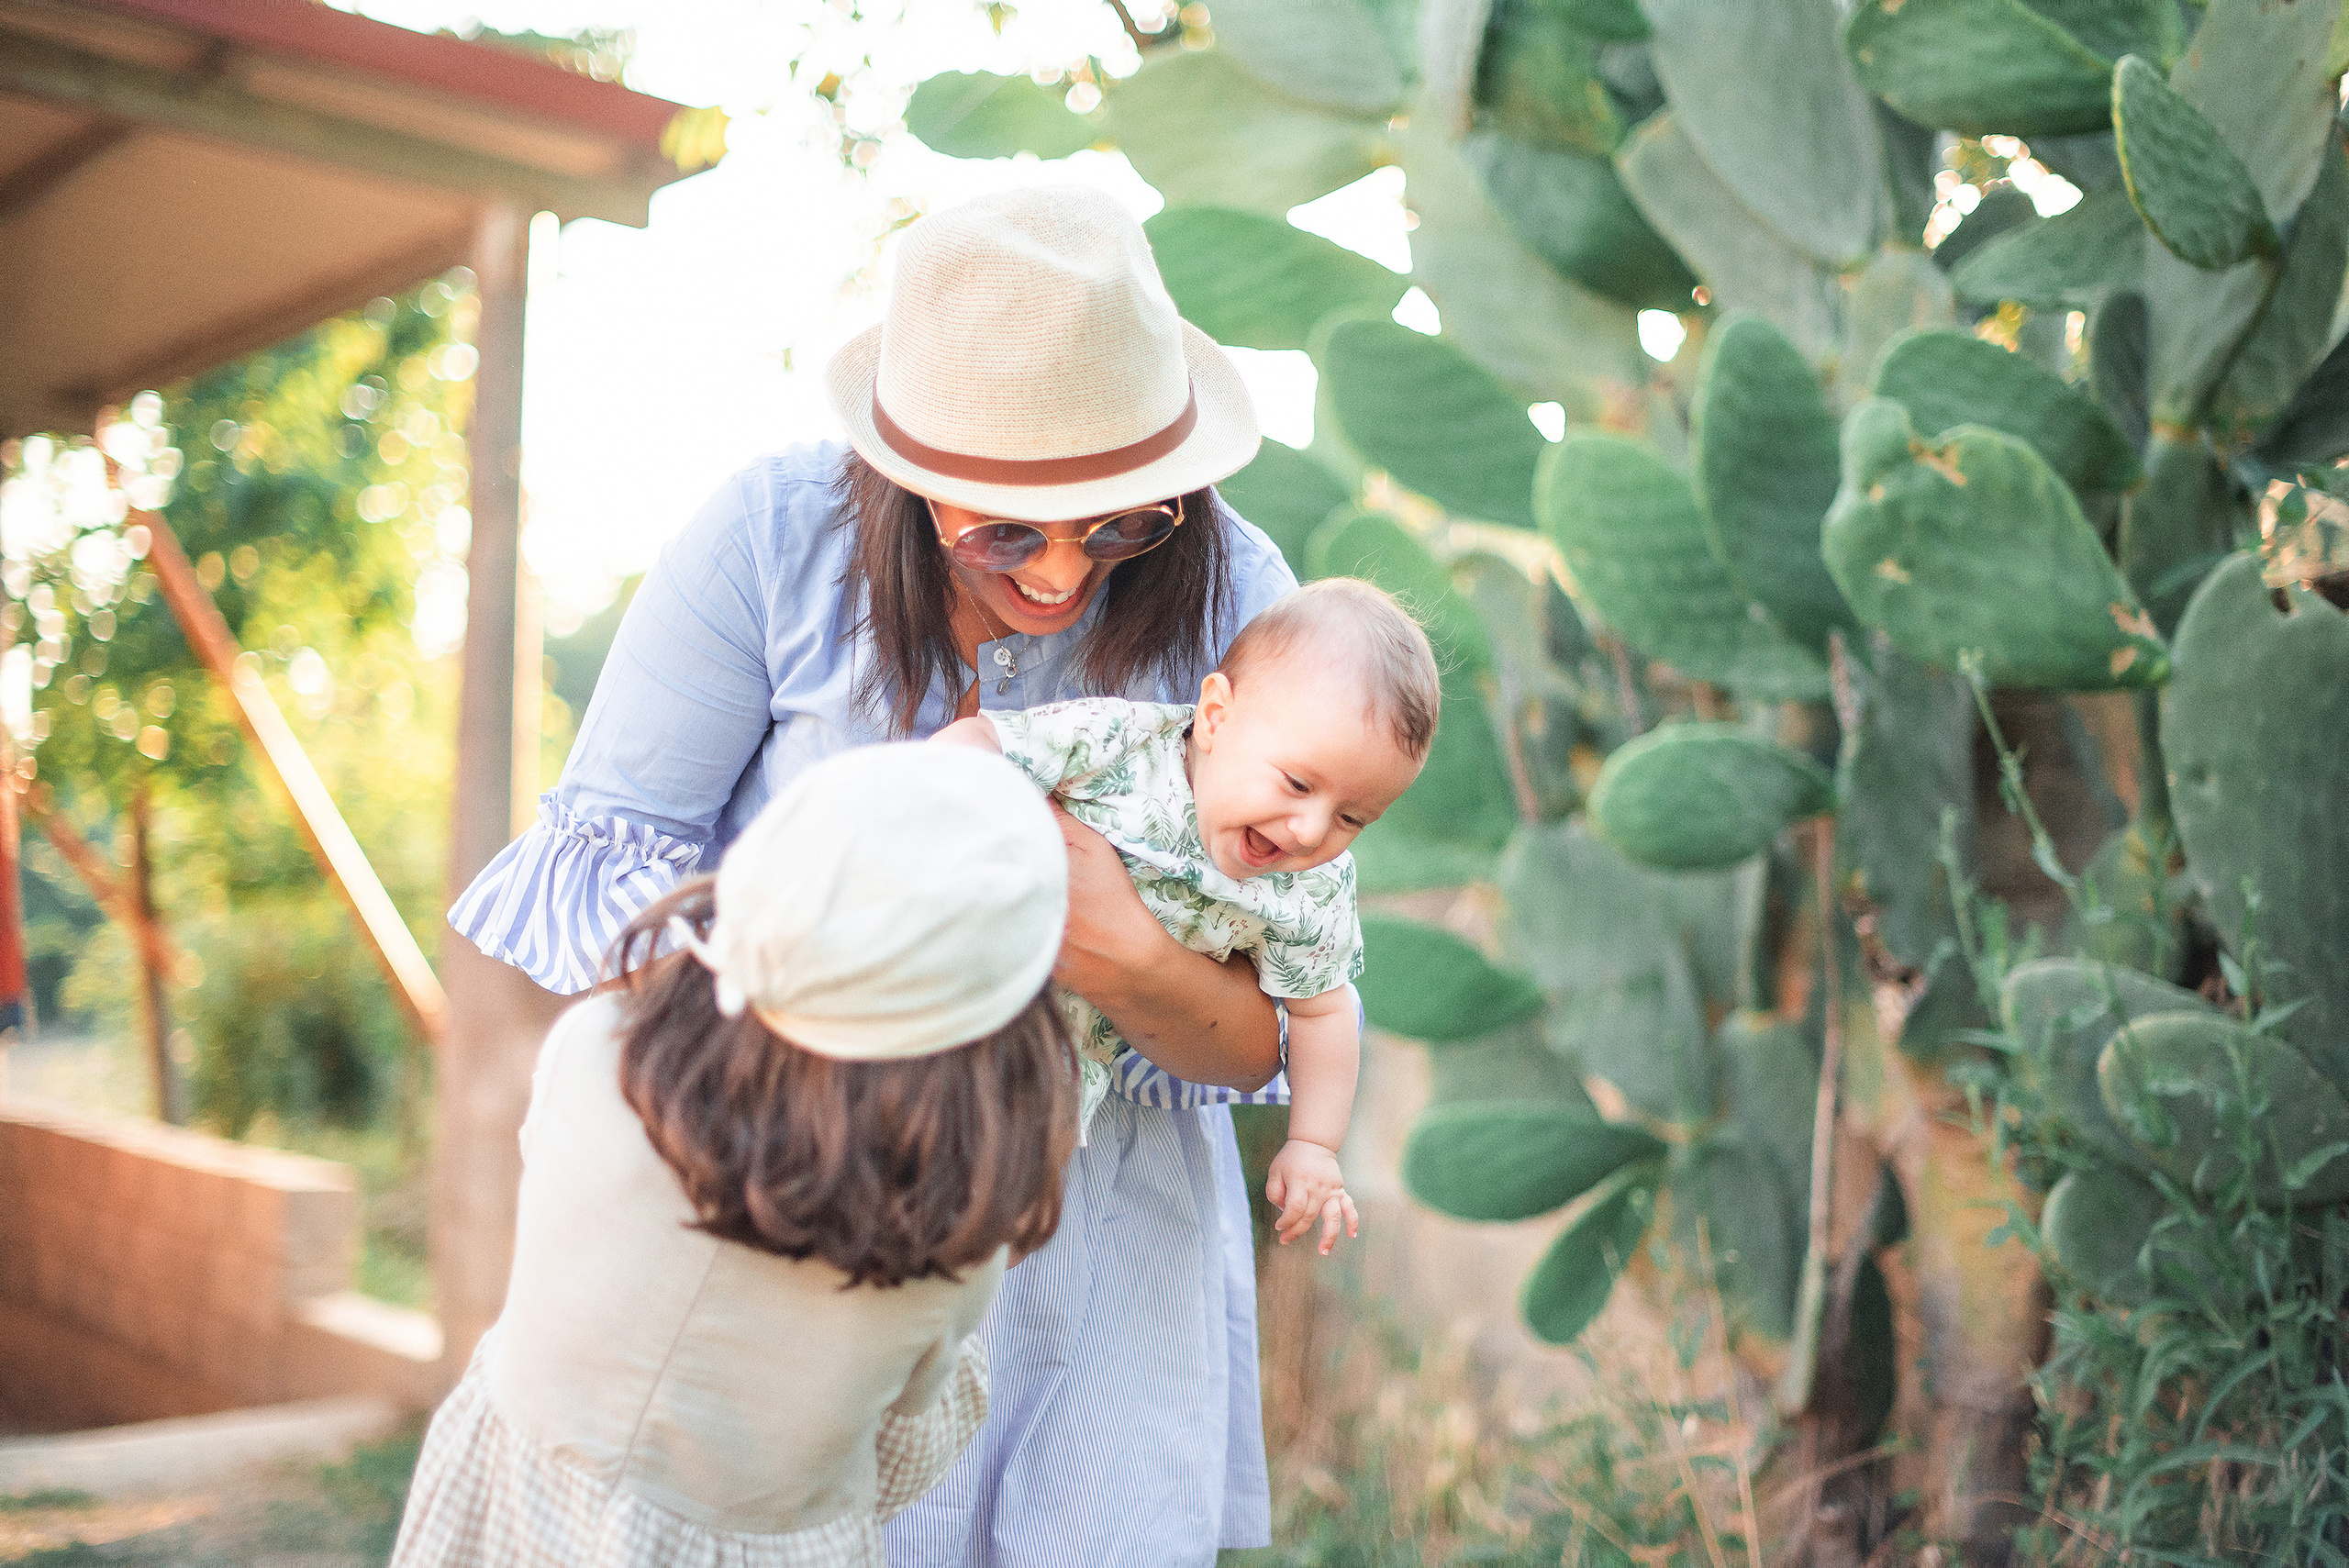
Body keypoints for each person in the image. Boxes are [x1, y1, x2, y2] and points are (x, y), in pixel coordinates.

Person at [448, 183, 1305, 1562]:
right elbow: (597, 887)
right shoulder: (772, 541)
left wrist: (1121, 952)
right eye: (1006, 532)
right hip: (798, 1225)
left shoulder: (1238, 598)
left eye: (1123, 524)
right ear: (908, 480)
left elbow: (1281, 1024)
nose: (1066, 573)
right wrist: (883, 911)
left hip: (1108, 1271)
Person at [395, 744, 1079, 1567]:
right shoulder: (942, 1251)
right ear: (1004, 1045)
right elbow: (901, 1453)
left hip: (511, 1511)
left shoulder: (595, 1053)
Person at [938, 579, 1438, 1253]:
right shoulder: (1125, 745)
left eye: (1353, 818)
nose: (1311, 828)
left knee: (977, 1227)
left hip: (1045, 1073)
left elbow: (1323, 1011)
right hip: (955, 970)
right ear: (1214, 716)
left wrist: (1315, 1144)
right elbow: (988, 740)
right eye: (1297, 783)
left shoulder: (1310, 887)